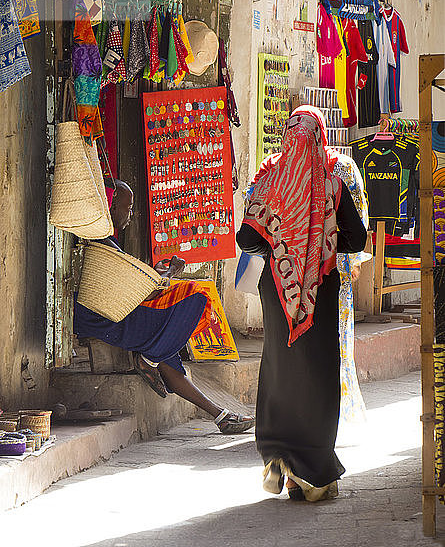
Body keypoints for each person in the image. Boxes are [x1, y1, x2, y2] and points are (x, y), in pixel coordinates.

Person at [236, 105, 367, 501]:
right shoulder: (330, 181)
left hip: (278, 289)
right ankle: (314, 472)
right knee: (319, 373)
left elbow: (246, 238)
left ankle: (278, 457)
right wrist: (320, 245)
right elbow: (357, 240)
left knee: (280, 368)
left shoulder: (269, 175)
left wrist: (281, 247)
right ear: (320, 135)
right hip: (321, 290)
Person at [74, 179, 254, 435]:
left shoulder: (103, 239)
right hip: (107, 321)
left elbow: (129, 282)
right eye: (128, 207)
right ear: (111, 208)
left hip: (111, 316)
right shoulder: (100, 240)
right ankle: (149, 359)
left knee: (167, 352)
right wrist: (166, 275)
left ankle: (219, 415)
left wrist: (160, 273)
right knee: (197, 297)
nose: (131, 214)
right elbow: (130, 288)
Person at [331, 152, 371, 425]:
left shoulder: (280, 165)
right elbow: (358, 217)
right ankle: (336, 412)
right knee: (337, 342)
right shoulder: (341, 166)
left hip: (290, 276)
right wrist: (352, 260)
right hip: (334, 270)